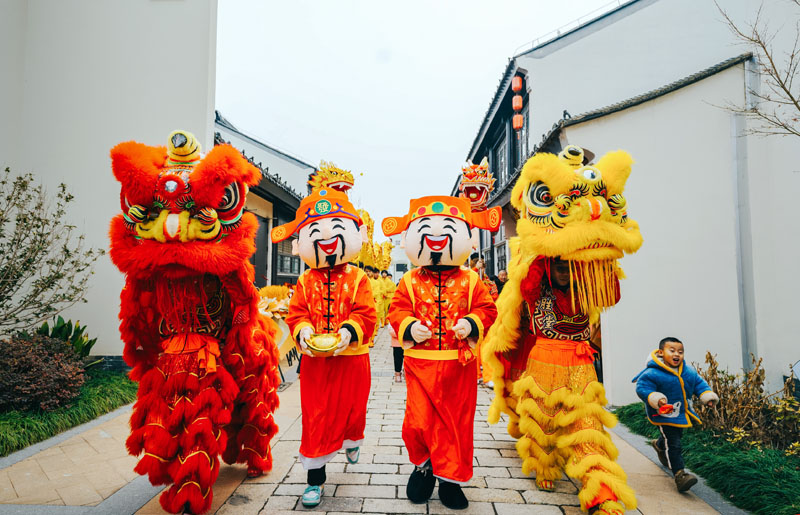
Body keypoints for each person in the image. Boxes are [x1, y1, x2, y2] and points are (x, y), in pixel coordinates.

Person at [383, 196, 500, 510]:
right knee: (417, 422)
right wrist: (409, 326)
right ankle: (423, 467)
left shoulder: (471, 280)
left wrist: (471, 323)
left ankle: (450, 479)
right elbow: (396, 311)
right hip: (420, 366)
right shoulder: (408, 280)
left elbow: (488, 310)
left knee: (455, 425)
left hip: (458, 368)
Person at [272, 188, 377, 508]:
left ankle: (352, 439)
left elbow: (367, 313)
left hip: (352, 360)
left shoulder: (359, 278)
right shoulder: (305, 281)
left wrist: (348, 331)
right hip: (316, 363)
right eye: (315, 232)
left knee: (353, 412)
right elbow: (297, 313)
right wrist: (303, 331)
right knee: (315, 418)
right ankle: (314, 480)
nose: (326, 239)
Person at [632, 337, 719, 492]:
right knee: (674, 443)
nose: (677, 354)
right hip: (663, 414)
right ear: (661, 352)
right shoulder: (652, 372)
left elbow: (699, 383)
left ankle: (659, 445)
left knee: (675, 437)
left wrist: (707, 396)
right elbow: (642, 387)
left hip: (680, 413)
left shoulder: (688, 371)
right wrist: (655, 398)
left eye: (680, 351)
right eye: (672, 351)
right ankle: (680, 474)